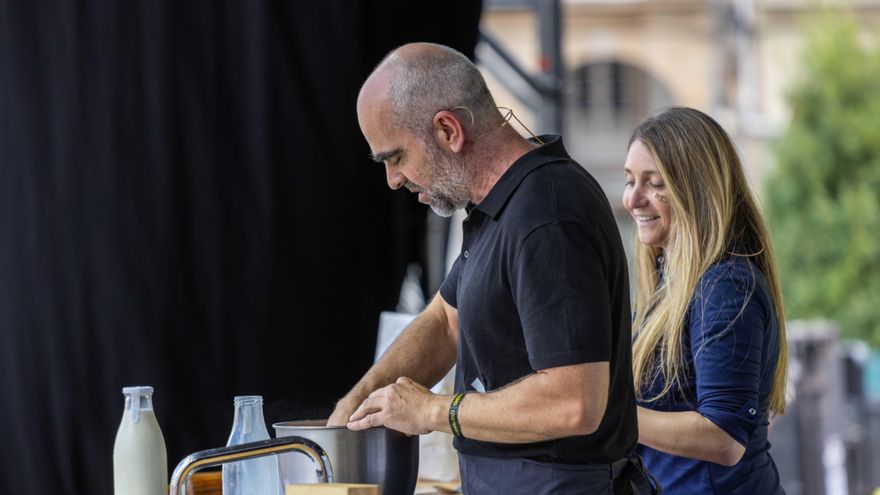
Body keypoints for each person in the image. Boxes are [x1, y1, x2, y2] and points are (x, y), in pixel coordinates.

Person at [328, 42, 647, 493]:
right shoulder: (499, 206)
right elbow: (444, 321)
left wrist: (432, 411)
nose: (393, 180)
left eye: (395, 157)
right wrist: (356, 408)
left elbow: (576, 401)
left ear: (447, 131)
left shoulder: (547, 215)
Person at [623, 106, 788, 494]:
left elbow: (724, 437)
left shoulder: (725, 287)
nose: (632, 199)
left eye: (655, 183)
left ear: (695, 189)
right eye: (630, 180)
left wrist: (606, 415)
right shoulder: (679, 281)